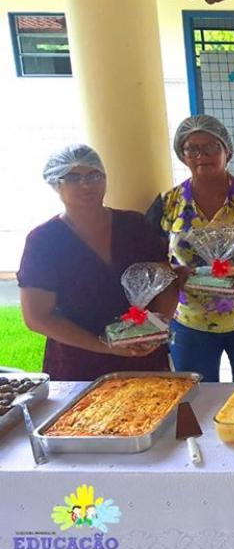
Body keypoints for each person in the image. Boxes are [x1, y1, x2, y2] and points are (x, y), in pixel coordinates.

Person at [19, 145, 176, 381]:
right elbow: (37, 316)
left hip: (144, 356)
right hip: (80, 364)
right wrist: (106, 346)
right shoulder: (44, 241)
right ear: (55, 184)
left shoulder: (135, 226)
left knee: (156, 404)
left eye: (94, 175)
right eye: (73, 177)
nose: (86, 185)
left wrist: (154, 332)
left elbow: (167, 282)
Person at [146, 115, 234, 383]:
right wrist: (173, 271)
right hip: (190, 320)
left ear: (227, 150)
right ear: (182, 155)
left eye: (211, 147)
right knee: (196, 396)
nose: (201, 155)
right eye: (192, 149)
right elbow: (149, 257)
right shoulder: (169, 203)